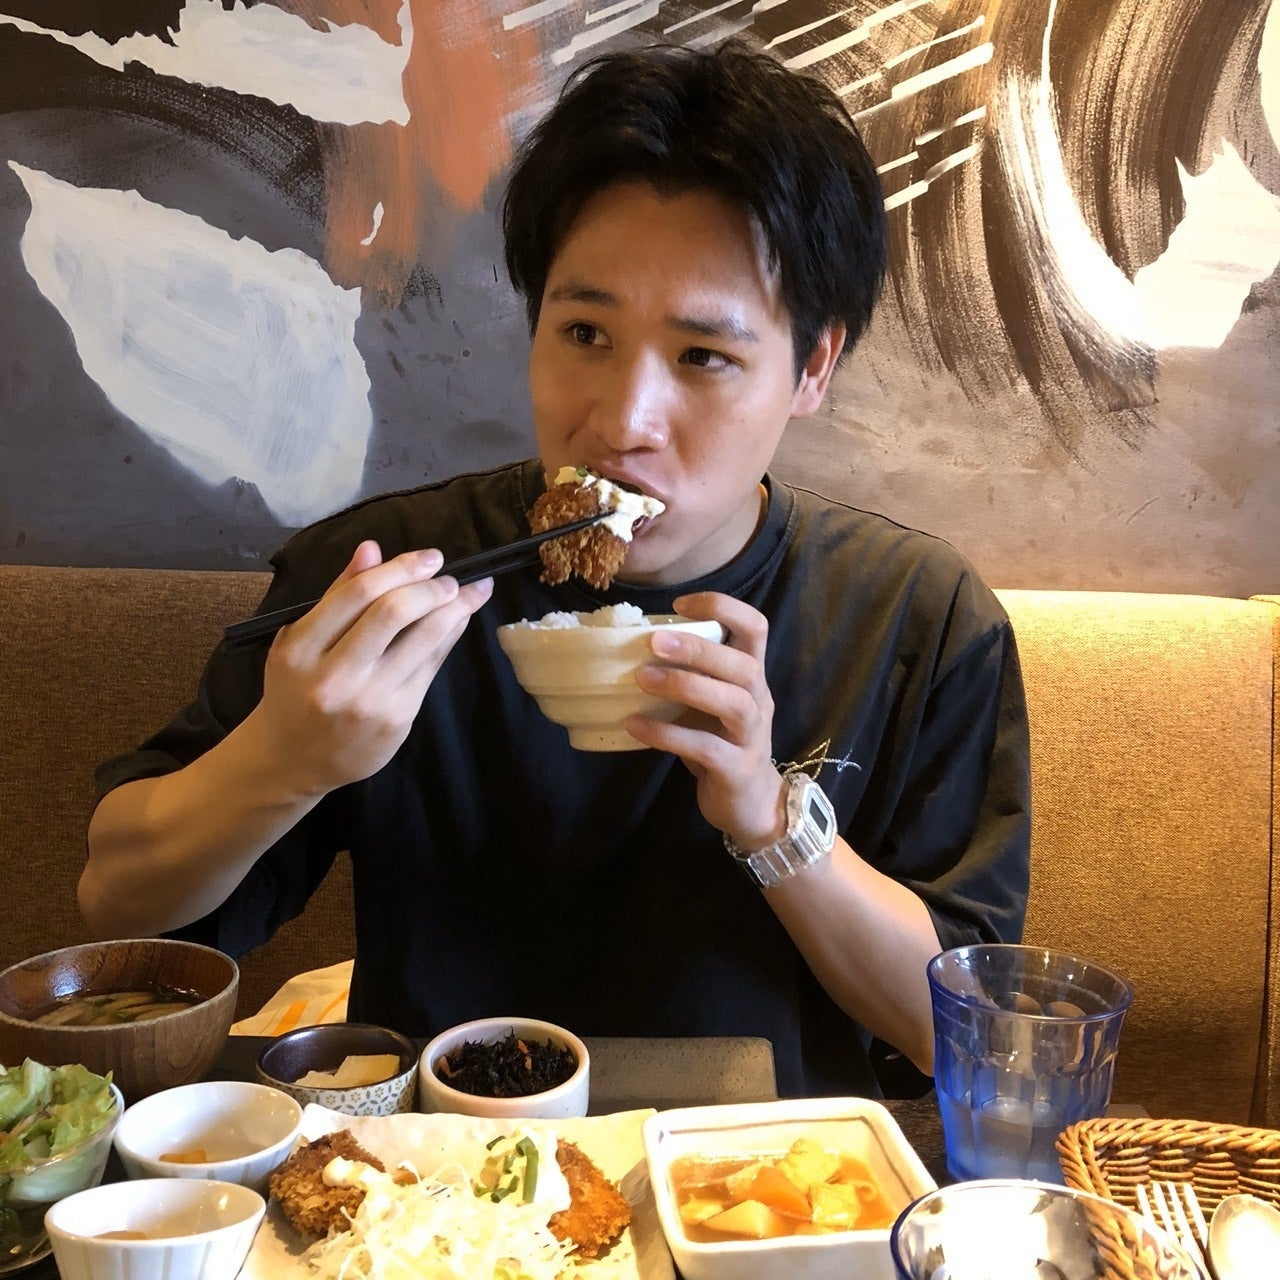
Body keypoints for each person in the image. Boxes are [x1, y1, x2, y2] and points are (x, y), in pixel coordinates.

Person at [81, 39, 1030, 1098]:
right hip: (429, 1172)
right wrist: (285, 757)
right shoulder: (386, 578)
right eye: (584, 332)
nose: (623, 421)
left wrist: (772, 816)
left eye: (703, 356)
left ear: (812, 366)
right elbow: (117, 912)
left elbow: (968, 1038)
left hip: (762, 1178)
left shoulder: (916, 617)